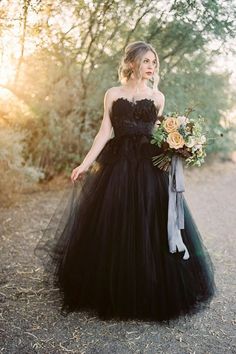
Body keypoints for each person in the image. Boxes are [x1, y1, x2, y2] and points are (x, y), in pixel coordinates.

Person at [35, 41, 216, 323]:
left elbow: (157, 134)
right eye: (146, 61)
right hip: (116, 165)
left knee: (148, 224)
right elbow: (104, 132)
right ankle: (110, 287)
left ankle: (150, 288)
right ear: (131, 62)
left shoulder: (158, 97)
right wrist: (84, 164)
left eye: (154, 63)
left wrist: (179, 147)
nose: (151, 67)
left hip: (148, 167)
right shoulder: (112, 94)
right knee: (114, 222)